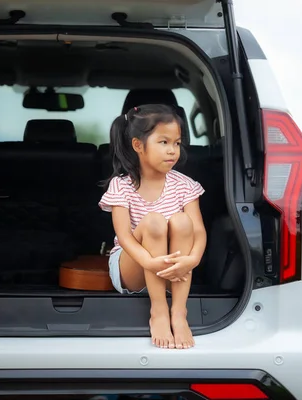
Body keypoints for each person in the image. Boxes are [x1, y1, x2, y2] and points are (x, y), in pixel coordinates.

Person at [98, 104, 206, 350]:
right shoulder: (122, 185)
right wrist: (148, 262)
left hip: (172, 269)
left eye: (177, 143)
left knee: (181, 220)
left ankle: (178, 313)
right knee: (155, 221)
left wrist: (194, 259)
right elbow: (124, 237)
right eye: (164, 142)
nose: (172, 151)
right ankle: (158, 311)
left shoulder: (185, 185)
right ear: (138, 145)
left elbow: (198, 231)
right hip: (133, 268)